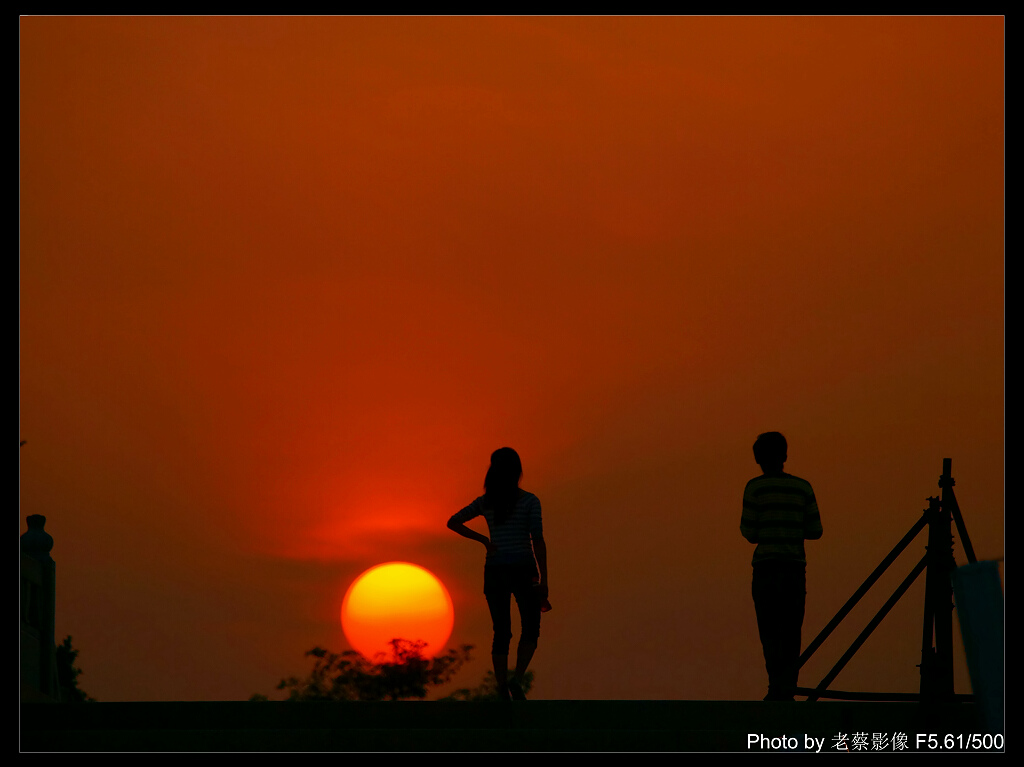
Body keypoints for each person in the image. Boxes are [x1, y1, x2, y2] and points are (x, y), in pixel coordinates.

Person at [447, 447, 547, 701]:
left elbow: (454, 521)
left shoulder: (487, 502)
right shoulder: (529, 501)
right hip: (523, 569)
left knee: (502, 630)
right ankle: (516, 679)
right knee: (530, 628)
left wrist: (484, 541)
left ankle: (503, 686)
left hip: (495, 569)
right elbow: (537, 540)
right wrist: (544, 579)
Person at [741, 432, 822, 701]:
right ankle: (787, 687)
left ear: (758, 459)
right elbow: (815, 530)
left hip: (765, 568)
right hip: (794, 569)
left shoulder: (754, 488)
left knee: (769, 630)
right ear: (785, 456)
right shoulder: (803, 488)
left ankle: (775, 686)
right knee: (791, 630)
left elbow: (749, 532)